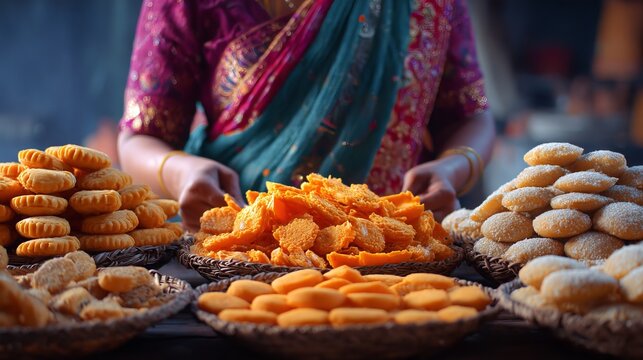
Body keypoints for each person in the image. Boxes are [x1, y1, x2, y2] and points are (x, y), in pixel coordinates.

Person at [118, 0, 495, 231]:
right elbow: (141, 136)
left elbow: (470, 115)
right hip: (241, 248)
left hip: (395, 252)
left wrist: (453, 169)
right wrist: (182, 173)